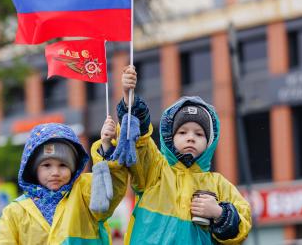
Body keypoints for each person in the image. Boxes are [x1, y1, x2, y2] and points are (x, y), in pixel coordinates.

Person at [94, 66, 252, 244]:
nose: (191, 138)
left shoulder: (219, 184)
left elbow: (242, 227)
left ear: (209, 142)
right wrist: (129, 101)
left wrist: (219, 214)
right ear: (170, 137)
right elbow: (140, 143)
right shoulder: (155, 171)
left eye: (199, 134)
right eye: (183, 133)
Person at [0, 122, 127, 244]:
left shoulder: (84, 193)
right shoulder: (14, 212)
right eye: (47, 165)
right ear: (33, 169)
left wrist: (106, 148)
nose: (55, 172)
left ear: (73, 168)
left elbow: (110, 190)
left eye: (63, 165)